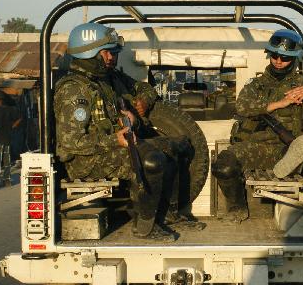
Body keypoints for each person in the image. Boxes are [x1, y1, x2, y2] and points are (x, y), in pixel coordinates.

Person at [54, 22, 202, 241]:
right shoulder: (74, 89)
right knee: (151, 161)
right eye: (107, 53)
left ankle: (170, 214)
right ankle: (144, 226)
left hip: (115, 144)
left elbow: (144, 88)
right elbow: (72, 142)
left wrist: (142, 102)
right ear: (90, 53)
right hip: (86, 159)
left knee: (176, 145)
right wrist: (114, 140)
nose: (112, 57)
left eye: (113, 53)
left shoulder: (108, 79)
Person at [211, 29, 303, 222]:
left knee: (297, 151)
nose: (278, 61)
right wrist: (278, 104)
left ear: (295, 58)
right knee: (222, 166)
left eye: (284, 57)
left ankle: (292, 163)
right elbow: (242, 106)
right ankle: (237, 209)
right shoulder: (256, 85)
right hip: (257, 147)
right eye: (275, 55)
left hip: (287, 147)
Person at [0, 91, 21, 188]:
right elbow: (19, 119)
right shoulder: (10, 110)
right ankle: (7, 181)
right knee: (7, 160)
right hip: (7, 138)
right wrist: (12, 127)